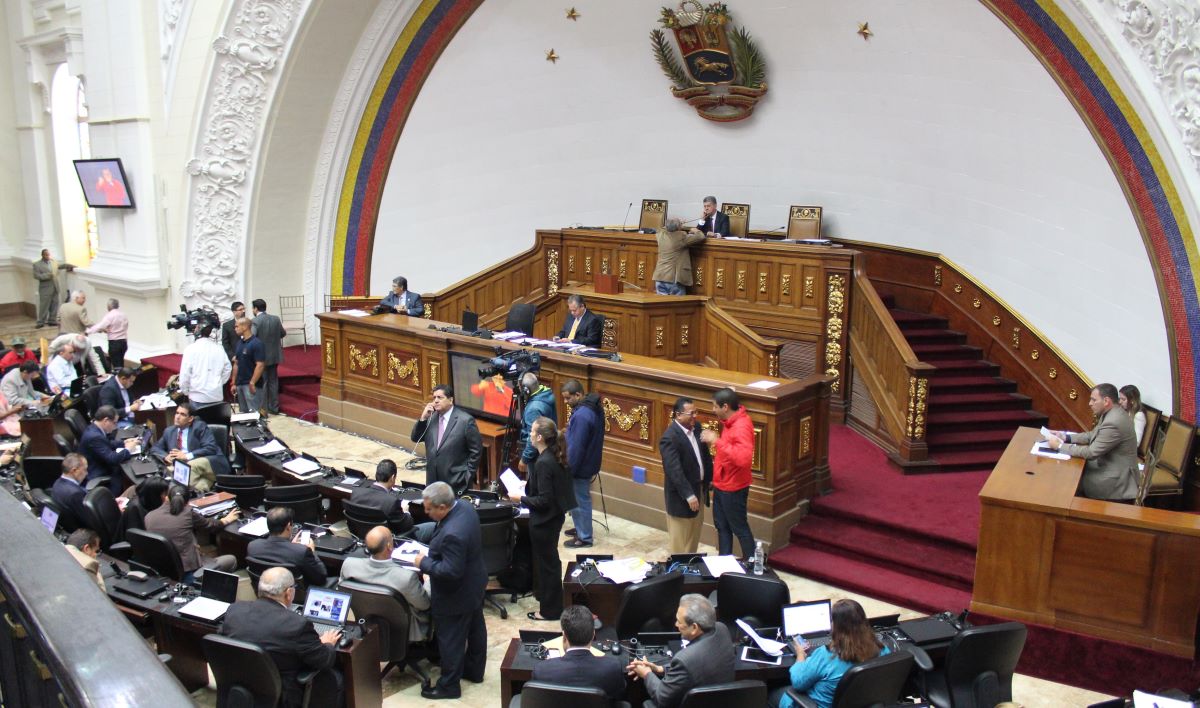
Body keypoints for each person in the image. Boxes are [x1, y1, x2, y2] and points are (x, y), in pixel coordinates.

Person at [220, 567, 342, 708]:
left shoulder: (235, 610)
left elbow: (222, 638)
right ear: (289, 593)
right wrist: (327, 644)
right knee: (336, 678)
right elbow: (324, 660)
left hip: (239, 689)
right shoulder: (297, 625)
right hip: (281, 697)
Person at [412, 482, 488, 700]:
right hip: (474, 583)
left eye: (429, 509)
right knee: (475, 628)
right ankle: (474, 671)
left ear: (443, 507)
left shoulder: (453, 534)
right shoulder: (465, 507)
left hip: (455, 594)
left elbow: (450, 571)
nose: (426, 512)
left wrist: (423, 563)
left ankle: (449, 686)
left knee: (451, 640)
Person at [508, 417, 575, 621]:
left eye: (532, 431)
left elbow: (544, 500)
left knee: (547, 567)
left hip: (544, 521)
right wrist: (528, 487)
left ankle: (549, 611)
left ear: (539, 437)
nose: (529, 434)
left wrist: (521, 498)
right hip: (553, 518)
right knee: (550, 563)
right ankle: (552, 604)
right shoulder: (552, 456)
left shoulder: (544, 462)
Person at [771, 599, 890, 708]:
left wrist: (800, 656)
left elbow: (798, 682)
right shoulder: (882, 650)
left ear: (836, 627)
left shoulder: (827, 655)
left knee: (773, 692)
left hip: (815, 704)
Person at [627, 594, 735, 708]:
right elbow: (695, 670)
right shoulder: (722, 629)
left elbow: (661, 698)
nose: (676, 624)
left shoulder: (685, 659)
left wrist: (646, 673)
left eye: (679, 621)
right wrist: (660, 669)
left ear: (694, 628)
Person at [1043, 383, 1140, 501]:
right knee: (1068, 473)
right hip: (1108, 468)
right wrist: (1066, 437)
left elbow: (1091, 452)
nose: (1090, 403)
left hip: (1115, 482)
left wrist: (1059, 446)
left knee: (1067, 481)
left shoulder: (1114, 421)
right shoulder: (1111, 413)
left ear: (1106, 401)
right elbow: (1092, 435)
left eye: (1094, 400)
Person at [518, 605, 626, 705]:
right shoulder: (613, 668)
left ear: (564, 636)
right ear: (593, 634)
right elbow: (619, 696)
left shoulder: (541, 670)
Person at [339, 525, 431, 641]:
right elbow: (425, 604)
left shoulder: (349, 565)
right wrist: (428, 580)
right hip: (405, 632)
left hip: (365, 625)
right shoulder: (406, 578)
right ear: (389, 546)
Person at [145, 483, 240, 585]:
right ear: (187, 503)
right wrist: (226, 520)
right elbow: (210, 525)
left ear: (167, 498)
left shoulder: (149, 516)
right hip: (189, 573)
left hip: (163, 571)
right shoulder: (188, 512)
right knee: (231, 560)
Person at [700, 388, 755, 558]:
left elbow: (743, 459)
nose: (713, 409)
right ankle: (724, 563)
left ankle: (753, 564)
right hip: (722, 484)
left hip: (733, 488)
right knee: (722, 527)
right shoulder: (731, 420)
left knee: (740, 528)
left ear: (725, 407)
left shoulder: (741, 426)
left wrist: (717, 441)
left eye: (715, 406)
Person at [660, 397, 713, 554]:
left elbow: (705, 457)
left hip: (699, 492)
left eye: (696, 412)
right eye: (691, 413)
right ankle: (679, 568)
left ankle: (690, 566)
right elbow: (673, 470)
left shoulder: (696, 428)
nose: (695, 416)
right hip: (682, 498)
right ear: (678, 415)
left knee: (693, 538)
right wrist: (689, 495)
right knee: (680, 544)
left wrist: (709, 480)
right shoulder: (669, 438)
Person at [410, 385, 481, 495]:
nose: (436, 401)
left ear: (451, 400)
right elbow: (415, 438)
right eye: (434, 398)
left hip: (456, 481)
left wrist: (467, 476)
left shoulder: (465, 421)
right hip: (432, 480)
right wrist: (423, 418)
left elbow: (476, 451)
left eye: (440, 397)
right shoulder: (431, 417)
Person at [561, 379, 604, 548]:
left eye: (568, 398)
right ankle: (580, 527)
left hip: (580, 466)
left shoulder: (582, 416)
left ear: (578, 395)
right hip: (589, 461)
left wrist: (568, 469)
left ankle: (584, 537)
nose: (565, 402)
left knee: (579, 501)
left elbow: (576, 447)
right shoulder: (591, 408)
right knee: (579, 499)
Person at [152, 400, 231, 490]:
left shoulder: (200, 427)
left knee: (188, 467)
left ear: (190, 419)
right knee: (199, 486)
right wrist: (166, 457)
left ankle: (181, 492)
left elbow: (210, 448)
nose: (177, 417)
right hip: (190, 470)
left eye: (182, 414)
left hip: (210, 461)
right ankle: (196, 491)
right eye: (177, 413)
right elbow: (155, 448)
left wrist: (186, 456)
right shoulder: (169, 431)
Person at [246, 507, 328, 587]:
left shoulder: (253, 546)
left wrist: (291, 545)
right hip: (296, 594)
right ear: (288, 526)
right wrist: (312, 551)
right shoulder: (301, 552)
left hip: (267, 590)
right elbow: (321, 578)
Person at [78, 406, 138, 493]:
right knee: (129, 472)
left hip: (100, 463)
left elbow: (107, 443)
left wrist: (124, 442)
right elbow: (112, 459)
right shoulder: (94, 436)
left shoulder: (94, 428)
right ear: (106, 420)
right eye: (114, 423)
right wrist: (128, 449)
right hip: (99, 472)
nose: (116, 426)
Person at [348, 459, 415, 534]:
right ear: (392, 477)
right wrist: (406, 511)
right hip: (386, 539)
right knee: (427, 528)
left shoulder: (356, 493)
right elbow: (406, 526)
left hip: (361, 536)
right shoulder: (391, 502)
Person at [179, 319, 232, 410]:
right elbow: (227, 369)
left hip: (197, 397)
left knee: (198, 419)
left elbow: (185, 374)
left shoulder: (190, 349)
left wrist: (186, 391)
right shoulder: (219, 348)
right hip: (216, 395)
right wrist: (218, 383)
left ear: (197, 330)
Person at [653, 217, 706, 295]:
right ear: (679, 227)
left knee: (661, 303)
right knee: (677, 302)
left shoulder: (660, 235)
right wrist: (696, 230)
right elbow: (701, 236)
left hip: (659, 277)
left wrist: (676, 224)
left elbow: (662, 228)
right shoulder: (681, 237)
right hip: (673, 279)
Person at [251, 299, 287, 415]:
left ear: (255, 309)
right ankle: (274, 407)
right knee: (273, 381)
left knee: (263, 382)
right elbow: (283, 333)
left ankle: (264, 409)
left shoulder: (255, 321)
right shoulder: (275, 319)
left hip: (261, 357)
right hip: (275, 355)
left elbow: (252, 337)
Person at [517, 372, 556, 474]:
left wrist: (524, 459)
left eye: (520, 388)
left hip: (537, 455)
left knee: (536, 482)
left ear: (526, 390)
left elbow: (533, 437)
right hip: (548, 449)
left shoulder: (533, 409)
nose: (520, 391)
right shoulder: (546, 394)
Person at [230, 317, 265, 414]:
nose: (235, 329)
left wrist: (252, 382)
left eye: (237, 326)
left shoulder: (257, 343)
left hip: (251, 385)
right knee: (244, 414)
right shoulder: (239, 343)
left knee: (255, 414)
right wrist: (234, 383)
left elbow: (260, 365)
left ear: (245, 327)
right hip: (240, 384)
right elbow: (236, 363)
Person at [32, 249, 72, 329]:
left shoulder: (53, 262)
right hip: (45, 288)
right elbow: (36, 276)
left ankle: (52, 320)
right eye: (46, 255)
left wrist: (70, 265)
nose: (48, 256)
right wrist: (47, 275)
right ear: (42, 255)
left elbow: (60, 266)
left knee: (54, 304)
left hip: (55, 286)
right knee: (44, 306)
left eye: (48, 254)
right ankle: (40, 322)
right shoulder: (37, 264)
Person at [52, 454, 90, 532]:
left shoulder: (57, 483)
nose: (86, 473)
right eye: (85, 469)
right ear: (74, 470)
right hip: (83, 532)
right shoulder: (76, 494)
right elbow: (90, 521)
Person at [87, 298, 130, 368]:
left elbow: (100, 326)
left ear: (109, 306)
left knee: (116, 364)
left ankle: (118, 374)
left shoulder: (110, 315)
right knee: (121, 362)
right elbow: (125, 326)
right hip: (123, 342)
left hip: (114, 343)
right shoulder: (123, 315)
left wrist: (87, 332)